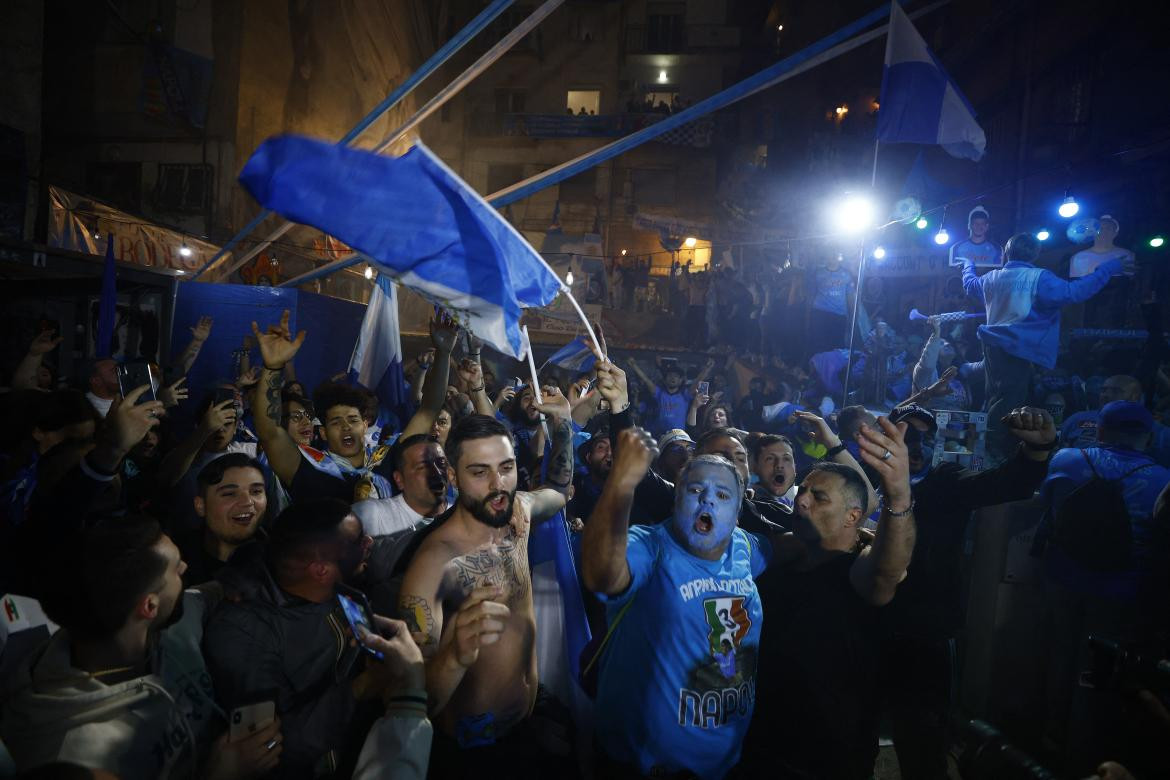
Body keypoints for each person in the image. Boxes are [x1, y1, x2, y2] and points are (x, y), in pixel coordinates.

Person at [3, 516, 281, 780]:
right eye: (175, 567)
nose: (185, 567)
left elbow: (208, 594)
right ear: (149, 606)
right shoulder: (76, 756)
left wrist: (233, 583)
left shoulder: (162, 622)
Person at [879, 403, 1058, 780]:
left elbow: (1006, 483)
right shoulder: (861, 479)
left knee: (923, 737)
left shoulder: (944, 482)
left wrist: (1037, 451)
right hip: (866, 623)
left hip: (924, 626)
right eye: (905, 435)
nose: (914, 447)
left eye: (923, 439)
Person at [394, 410, 574, 775]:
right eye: (480, 472)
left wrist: (564, 429)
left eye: (506, 468)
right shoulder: (435, 564)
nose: (498, 485)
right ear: (452, 475)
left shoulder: (517, 510)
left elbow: (558, 491)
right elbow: (409, 706)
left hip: (527, 724)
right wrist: (454, 658)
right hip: (471, 756)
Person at [582, 439, 770, 779]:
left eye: (723, 495)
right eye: (695, 489)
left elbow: (786, 549)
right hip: (642, 766)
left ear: (738, 513)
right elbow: (601, 576)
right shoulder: (651, 545)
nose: (708, 500)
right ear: (676, 499)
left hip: (725, 762)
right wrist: (621, 483)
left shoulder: (744, 546)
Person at [744, 417, 917, 780]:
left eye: (818, 497)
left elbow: (885, 572)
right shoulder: (780, 561)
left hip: (827, 760)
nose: (802, 500)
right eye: (803, 491)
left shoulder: (856, 571)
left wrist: (899, 495)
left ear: (853, 516)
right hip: (759, 747)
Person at [203, 498, 393, 778]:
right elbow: (270, 750)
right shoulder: (244, 633)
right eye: (357, 542)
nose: (370, 542)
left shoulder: (342, 589)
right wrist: (359, 690)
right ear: (320, 571)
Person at [1037, 401, 1170, 770]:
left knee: (1059, 655)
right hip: (1120, 591)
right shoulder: (1162, 478)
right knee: (1095, 670)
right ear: (1147, 436)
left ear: (1100, 429)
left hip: (1062, 576)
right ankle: (1083, 754)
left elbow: (1047, 506)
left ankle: (1050, 736)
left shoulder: (1066, 459)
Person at [963, 232, 1133, 461]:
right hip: (1018, 348)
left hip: (993, 345)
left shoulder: (992, 277)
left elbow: (970, 285)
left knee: (997, 398)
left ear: (1005, 253)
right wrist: (1107, 269)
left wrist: (968, 265)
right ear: (1036, 253)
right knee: (1008, 401)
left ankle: (985, 454)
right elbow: (1074, 292)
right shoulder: (1038, 278)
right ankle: (991, 457)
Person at [175, 453, 268, 587]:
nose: (247, 502)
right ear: (201, 506)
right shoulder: (174, 563)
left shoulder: (283, 558)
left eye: (256, 491)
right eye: (229, 493)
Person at [1060, 374, 1170, 466]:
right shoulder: (1078, 418)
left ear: (1135, 397)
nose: (1106, 395)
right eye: (1103, 390)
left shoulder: (1158, 431)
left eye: (1116, 391)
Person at [352, 434, 449, 537]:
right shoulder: (374, 516)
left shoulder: (464, 511)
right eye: (422, 467)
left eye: (441, 463)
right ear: (400, 480)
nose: (437, 472)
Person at [1070, 215, 1135, 328]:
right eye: (1101, 228)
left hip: (1116, 311)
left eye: (1109, 229)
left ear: (1115, 233)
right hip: (1087, 312)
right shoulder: (1079, 257)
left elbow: (1129, 283)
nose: (1104, 232)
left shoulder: (1125, 255)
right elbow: (1077, 288)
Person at [808, 253, 856, 356]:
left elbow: (850, 297)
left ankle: (834, 371)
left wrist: (852, 318)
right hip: (819, 313)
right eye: (830, 253)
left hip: (839, 315)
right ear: (827, 255)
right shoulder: (818, 273)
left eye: (835, 253)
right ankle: (817, 371)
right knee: (819, 345)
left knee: (837, 347)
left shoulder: (847, 274)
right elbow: (811, 294)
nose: (833, 256)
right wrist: (808, 315)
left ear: (839, 256)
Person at [569, 428, 611, 523]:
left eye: (614, 448)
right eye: (601, 447)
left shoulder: (632, 493)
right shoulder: (574, 484)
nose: (609, 452)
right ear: (588, 457)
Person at [750, 433, 798, 511]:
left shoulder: (811, 501)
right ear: (755, 467)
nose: (779, 465)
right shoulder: (745, 503)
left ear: (795, 467)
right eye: (770, 459)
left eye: (786, 459)